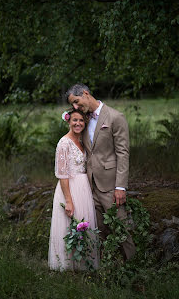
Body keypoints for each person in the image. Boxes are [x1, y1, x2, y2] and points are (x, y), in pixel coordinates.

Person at [66, 83, 136, 260]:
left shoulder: (115, 117)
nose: (75, 107)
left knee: (122, 229)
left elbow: (123, 153)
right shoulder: (84, 118)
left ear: (85, 93)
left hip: (111, 186)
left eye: (76, 101)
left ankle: (134, 268)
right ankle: (107, 270)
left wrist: (121, 187)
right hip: (90, 187)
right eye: (73, 105)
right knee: (97, 231)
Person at [48, 109, 99, 271]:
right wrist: (68, 201)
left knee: (84, 223)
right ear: (68, 121)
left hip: (83, 187)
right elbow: (62, 175)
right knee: (69, 225)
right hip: (69, 189)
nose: (78, 124)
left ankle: (83, 263)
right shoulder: (64, 143)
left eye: (81, 121)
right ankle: (68, 265)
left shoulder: (82, 141)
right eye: (74, 120)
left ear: (85, 123)